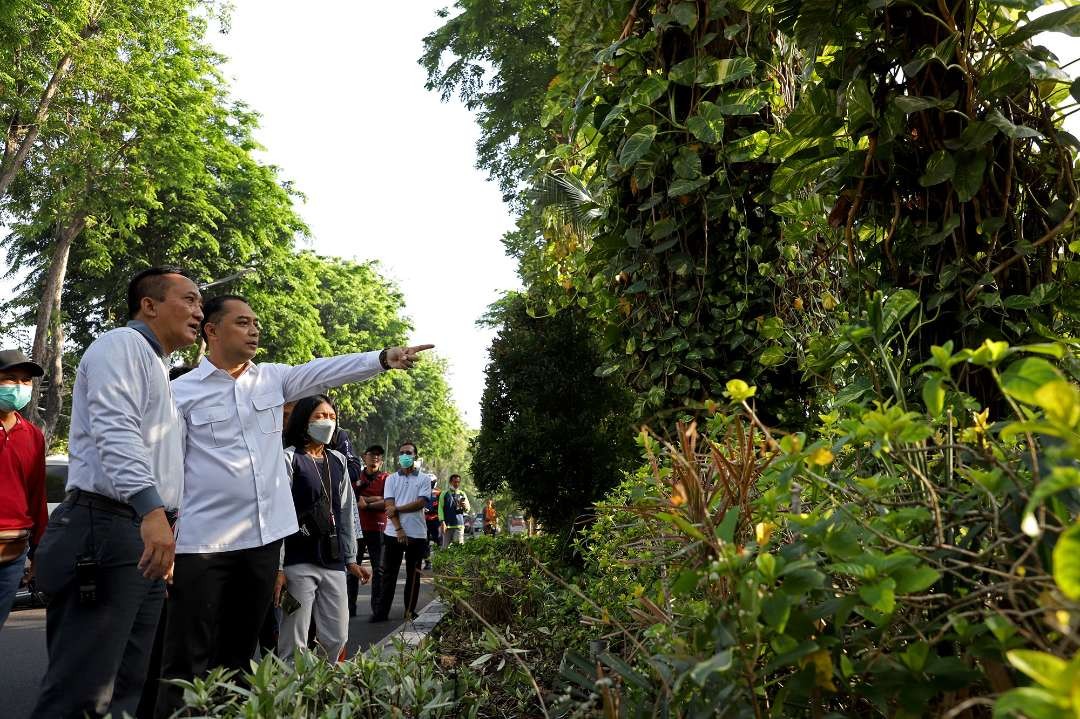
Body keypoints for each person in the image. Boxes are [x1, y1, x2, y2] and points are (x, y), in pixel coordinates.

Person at [155, 294, 431, 717]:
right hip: (202, 545)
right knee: (188, 653)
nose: (254, 330)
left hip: (261, 544)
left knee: (244, 650)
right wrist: (162, 528)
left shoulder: (272, 380)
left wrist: (382, 358)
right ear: (211, 330)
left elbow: (327, 369)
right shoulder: (180, 392)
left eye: (256, 323)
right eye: (242, 322)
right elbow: (168, 470)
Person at [31, 267, 201, 719]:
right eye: (189, 299)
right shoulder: (121, 346)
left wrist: (164, 526)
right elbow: (116, 431)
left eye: (201, 303)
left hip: (136, 535)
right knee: (83, 694)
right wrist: (151, 512)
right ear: (149, 305)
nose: (198, 312)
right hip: (105, 526)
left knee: (125, 688)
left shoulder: (159, 368)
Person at [274, 395, 369, 661]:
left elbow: (347, 512)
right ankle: (292, 698)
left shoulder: (338, 460)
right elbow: (278, 515)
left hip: (333, 561)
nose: (327, 422)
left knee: (337, 636)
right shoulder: (288, 459)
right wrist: (278, 567)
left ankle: (324, 693)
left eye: (331, 417)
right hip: (297, 561)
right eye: (320, 416)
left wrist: (351, 559)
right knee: (294, 639)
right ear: (304, 421)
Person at [0, 350, 47, 631]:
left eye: (25, 380)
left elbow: (37, 496)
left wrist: (39, 552)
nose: (19, 386)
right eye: (9, 379)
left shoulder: (33, 435)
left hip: (14, 554)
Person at [370, 442, 430, 622]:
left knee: (414, 575)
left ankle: (410, 611)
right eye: (402, 453)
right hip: (393, 532)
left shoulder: (424, 479)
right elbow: (389, 506)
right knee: (389, 574)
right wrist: (399, 528)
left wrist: (398, 509)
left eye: (409, 453)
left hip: (417, 534)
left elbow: (421, 503)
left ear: (415, 456)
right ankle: (381, 613)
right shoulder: (391, 479)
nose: (405, 455)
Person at [349, 445, 387, 618]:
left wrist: (367, 502)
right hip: (356, 528)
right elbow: (349, 497)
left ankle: (377, 609)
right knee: (352, 566)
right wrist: (374, 499)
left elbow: (388, 500)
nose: (375, 457)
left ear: (382, 460)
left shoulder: (387, 478)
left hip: (378, 527)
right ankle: (350, 607)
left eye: (379, 455)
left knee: (378, 569)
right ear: (364, 457)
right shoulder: (356, 476)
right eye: (372, 454)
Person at [439, 474, 471, 547]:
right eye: (455, 482)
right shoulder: (444, 493)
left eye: (458, 482)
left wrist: (464, 506)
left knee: (459, 549)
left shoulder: (462, 494)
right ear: (450, 482)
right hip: (447, 526)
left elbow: (468, 509)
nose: (456, 484)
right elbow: (440, 509)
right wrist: (442, 522)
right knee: (445, 549)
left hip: (459, 526)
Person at [423, 481, 441, 569]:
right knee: (425, 542)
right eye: (429, 482)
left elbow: (442, 505)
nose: (430, 484)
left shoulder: (438, 492)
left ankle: (439, 562)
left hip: (436, 520)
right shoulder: (422, 491)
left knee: (438, 541)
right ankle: (427, 563)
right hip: (424, 520)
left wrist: (434, 509)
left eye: (432, 482)